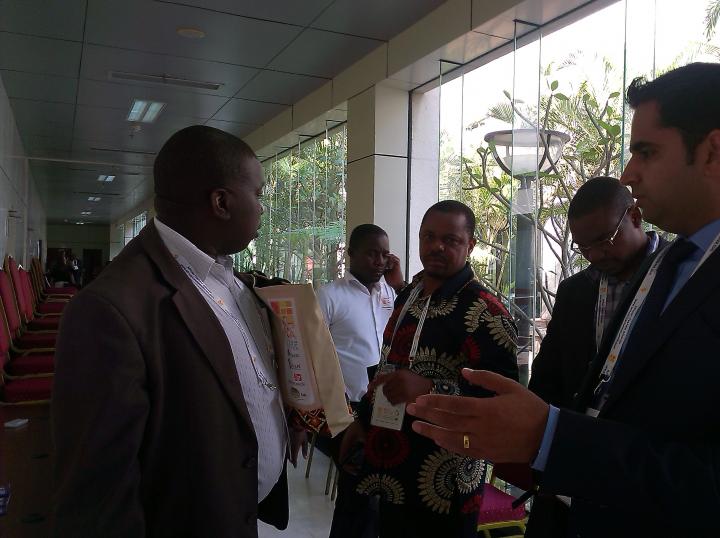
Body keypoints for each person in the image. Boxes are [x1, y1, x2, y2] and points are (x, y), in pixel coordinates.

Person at [407, 62, 720, 536]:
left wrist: (552, 437)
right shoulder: (668, 265)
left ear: (713, 153)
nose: (628, 173)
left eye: (647, 152)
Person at [52, 125, 301, 537]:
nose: (261, 208)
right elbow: (97, 496)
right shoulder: (110, 309)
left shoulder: (232, 281)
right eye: (257, 194)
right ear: (221, 202)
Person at [339, 200, 519, 538]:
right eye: (428, 237)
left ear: (471, 245)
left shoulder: (487, 312)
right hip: (388, 465)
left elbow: (503, 402)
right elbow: (388, 365)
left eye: (450, 240)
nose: (436, 246)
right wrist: (362, 420)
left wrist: (429, 390)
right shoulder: (409, 295)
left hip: (443, 485)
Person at [525, 176, 664, 537]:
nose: (596, 255)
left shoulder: (679, 278)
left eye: (605, 239)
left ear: (635, 216)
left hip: (644, 472)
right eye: (584, 247)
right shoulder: (575, 291)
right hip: (573, 466)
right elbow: (549, 375)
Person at [317, 223, 403, 538]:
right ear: (351, 253)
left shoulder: (391, 293)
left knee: (381, 492)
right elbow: (315, 353)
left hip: (387, 408)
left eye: (384, 254)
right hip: (348, 409)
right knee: (356, 493)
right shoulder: (329, 295)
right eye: (371, 253)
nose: (379, 261)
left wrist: (399, 285)